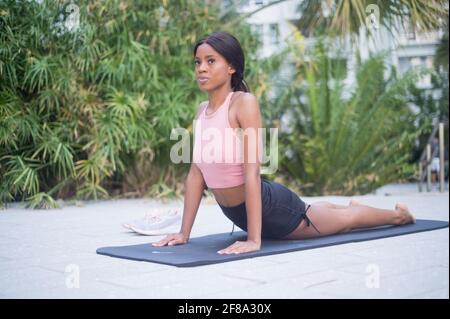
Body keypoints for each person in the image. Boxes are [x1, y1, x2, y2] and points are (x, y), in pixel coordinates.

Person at [152, 31, 415, 255]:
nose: (201, 68)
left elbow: (252, 172)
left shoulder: (244, 103)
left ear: (231, 66)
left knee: (344, 222)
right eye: (197, 62)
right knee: (316, 212)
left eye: (211, 61)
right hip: (238, 213)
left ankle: (399, 216)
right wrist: (183, 233)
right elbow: (197, 173)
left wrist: (254, 240)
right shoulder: (202, 110)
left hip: (272, 208)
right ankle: (349, 205)